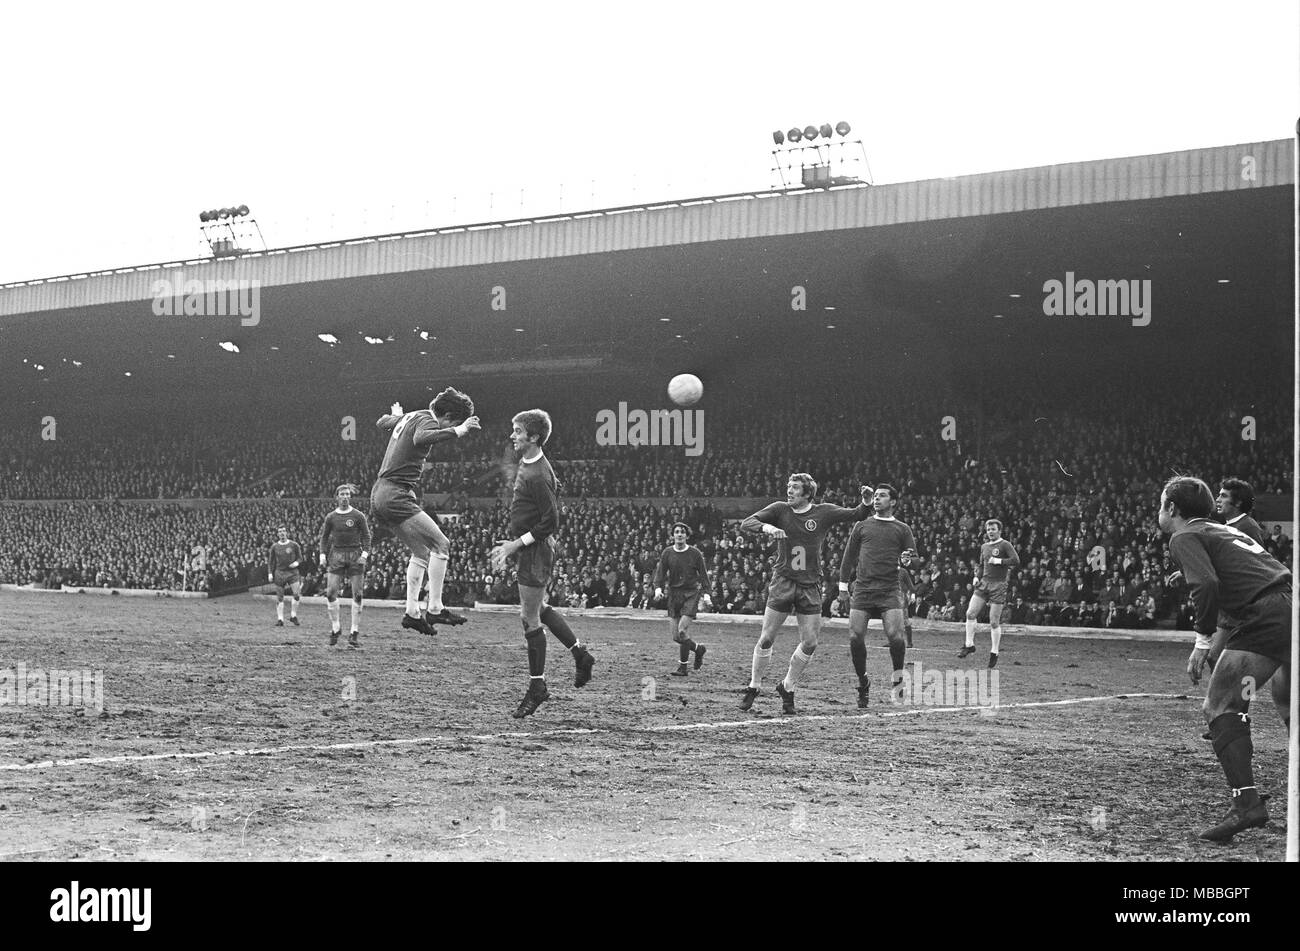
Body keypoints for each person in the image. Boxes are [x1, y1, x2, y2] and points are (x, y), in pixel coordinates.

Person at [1159, 476, 1292, 842]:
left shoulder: (1183, 536)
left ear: (1172, 508)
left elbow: (1207, 585)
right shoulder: (1222, 532)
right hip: (1289, 603)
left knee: (1219, 706)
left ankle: (1246, 804)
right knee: (1288, 705)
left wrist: (1203, 641)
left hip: (1266, 614)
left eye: (1161, 504)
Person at [491, 409, 595, 718]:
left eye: (518, 431)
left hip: (534, 551)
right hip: (532, 548)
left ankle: (538, 687)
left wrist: (515, 544)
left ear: (534, 437)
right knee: (537, 609)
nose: (513, 435)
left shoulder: (538, 474)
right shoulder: (531, 464)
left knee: (529, 617)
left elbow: (552, 520)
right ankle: (581, 655)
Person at [738, 474, 872, 715]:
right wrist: (768, 528)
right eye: (788, 487)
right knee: (767, 638)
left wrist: (866, 501)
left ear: (808, 493)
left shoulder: (823, 512)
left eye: (795, 488)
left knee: (810, 641)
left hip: (810, 585)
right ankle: (754, 686)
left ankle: (787, 686)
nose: (789, 491)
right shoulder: (779, 509)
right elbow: (747, 523)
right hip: (784, 581)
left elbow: (858, 514)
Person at [371, 388, 480, 637]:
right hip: (395, 493)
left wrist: (396, 416)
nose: (451, 426)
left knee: (420, 551)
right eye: (453, 421)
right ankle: (435, 608)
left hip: (381, 493)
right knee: (442, 543)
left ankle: (411, 613)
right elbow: (422, 438)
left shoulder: (412, 415)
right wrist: (459, 431)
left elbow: (381, 422)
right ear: (449, 415)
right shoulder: (427, 420)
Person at [838, 484, 921, 708]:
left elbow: (915, 560)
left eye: (882, 496)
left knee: (896, 637)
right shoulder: (862, 526)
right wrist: (843, 587)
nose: (876, 499)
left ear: (893, 502)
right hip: (864, 589)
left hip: (889, 589)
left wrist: (907, 560)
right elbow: (848, 558)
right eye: (875, 496)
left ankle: (898, 678)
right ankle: (863, 682)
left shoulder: (902, 529)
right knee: (855, 638)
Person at [958, 519, 1020, 667]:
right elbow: (980, 565)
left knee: (993, 621)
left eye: (993, 529)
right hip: (984, 583)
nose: (990, 531)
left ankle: (994, 652)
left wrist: (999, 562)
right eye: (988, 529)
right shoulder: (984, 546)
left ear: (999, 530)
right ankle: (969, 645)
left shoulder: (1005, 544)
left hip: (999, 585)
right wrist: (976, 577)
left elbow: (1016, 560)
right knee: (970, 613)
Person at [318, 484, 372, 649]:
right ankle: (336, 628)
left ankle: (354, 631)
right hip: (337, 555)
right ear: (337, 497)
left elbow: (366, 537)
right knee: (330, 593)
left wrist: (364, 555)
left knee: (358, 595)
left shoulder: (358, 515)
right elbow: (324, 537)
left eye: (347, 494)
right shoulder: (331, 517)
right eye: (342, 494)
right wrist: (322, 554)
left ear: (350, 497)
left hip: (355, 554)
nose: (345, 496)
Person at [653, 522, 710, 677]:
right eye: (676, 532)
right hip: (674, 595)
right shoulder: (667, 553)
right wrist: (658, 589)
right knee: (676, 637)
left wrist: (706, 594)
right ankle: (699, 649)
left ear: (686, 535)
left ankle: (683, 668)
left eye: (682, 532)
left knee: (682, 631)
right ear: (673, 535)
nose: (679, 534)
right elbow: (660, 574)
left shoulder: (695, 553)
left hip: (691, 594)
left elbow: (704, 576)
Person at [267, 527, 303, 626]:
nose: (282, 533)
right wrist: (270, 573)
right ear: (277, 534)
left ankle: (293, 616)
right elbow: (271, 561)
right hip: (280, 573)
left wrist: (296, 563)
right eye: (280, 532)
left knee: (296, 594)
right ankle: (280, 619)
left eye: (283, 531)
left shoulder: (294, 545)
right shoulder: (274, 547)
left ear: (286, 533)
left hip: (292, 573)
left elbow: (300, 558)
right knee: (280, 597)